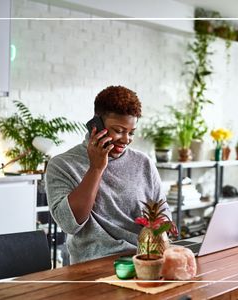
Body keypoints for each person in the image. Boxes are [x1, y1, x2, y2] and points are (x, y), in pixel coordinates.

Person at [46, 85, 171, 264]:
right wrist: (96, 168)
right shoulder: (62, 164)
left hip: (144, 259)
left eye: (131, 132)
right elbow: (69, 224)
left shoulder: (143, 162)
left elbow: (163, 210)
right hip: (93, 265)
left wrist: (160, 229)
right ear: (96, 125)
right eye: (119, 131)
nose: (126, 139)